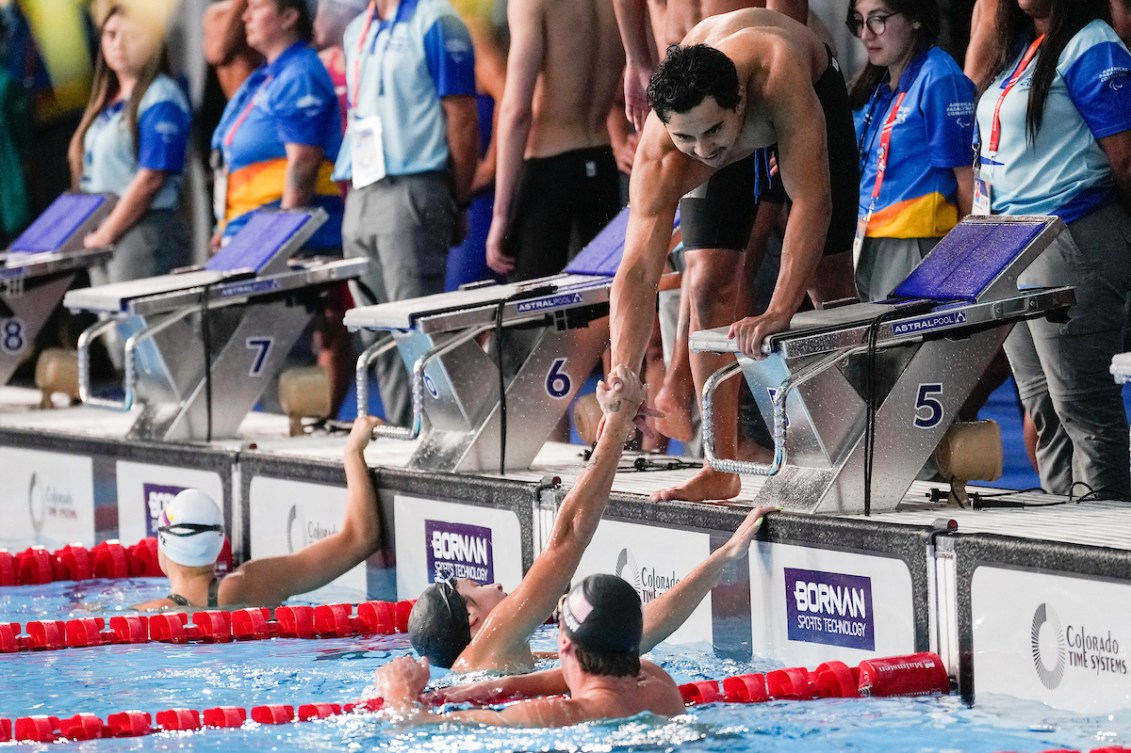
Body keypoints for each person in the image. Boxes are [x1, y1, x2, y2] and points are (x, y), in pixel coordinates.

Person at [609, 9, 858, 502]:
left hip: (806, 97)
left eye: (711, 132)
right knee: (705, 289)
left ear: (739, 101)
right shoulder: (667, 149)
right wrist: (624, 373)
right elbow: (637, 271)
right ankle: (719, 464)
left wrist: (779, 309)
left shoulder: (776, 70)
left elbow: (813, 202)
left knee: (829, 288)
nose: (702, 150)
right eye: (686, 137)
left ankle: (852, 449)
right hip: (725, 112)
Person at [405, 367, 777, 673]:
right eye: (478, 584)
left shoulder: (509, 665)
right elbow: (566, 538)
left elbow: (638, 633)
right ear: (471, 616)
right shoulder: (488, 646)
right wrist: (617, 421)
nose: (496, 582)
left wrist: (724, 555)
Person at [974, 0, 1131, 499]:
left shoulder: (1093, 43)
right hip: (1013, 246)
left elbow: (1126, 162)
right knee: (1042, 408)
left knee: (1081, 406)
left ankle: (1104, 549)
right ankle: (1061, 536)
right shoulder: (1022, 48)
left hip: (1073, 236)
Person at [335, 0, 478, 427]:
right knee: (374, 335)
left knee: (416, 331)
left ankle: (435, 436)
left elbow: (463, 119)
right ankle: (403, 432)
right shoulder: (356, 29)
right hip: (361, 190)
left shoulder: (437, 20)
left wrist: (458, 198)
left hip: (413, 187)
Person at [132, 415, 384, 610]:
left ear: (163, 548)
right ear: (220, 543)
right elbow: (359, 539)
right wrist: (352, 452)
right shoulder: (250, 585)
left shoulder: (151, 615)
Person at [373, 574, 685, 727]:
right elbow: (593, 681)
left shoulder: (555, 715)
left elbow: (417, 724)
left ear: (564, 645)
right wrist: (502, 685)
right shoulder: (659, 684)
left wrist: (396, 690)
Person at [483, 0, 624, 283]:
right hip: (602, 166)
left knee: (534, 315)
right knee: (600, 306)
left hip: (550, 174)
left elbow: (516, 112)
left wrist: (500, 215)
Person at [847, 0, 974, 301]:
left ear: (916, 17)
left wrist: (972, 265)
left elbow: (966, 178)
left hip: (916, 241)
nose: (866, 34)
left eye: (877, 20)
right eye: (858, 21)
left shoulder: (940, 76)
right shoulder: (875, 84)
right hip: (865, 238)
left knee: (905, 347)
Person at [68, 3, 192, 283]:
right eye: (110, 35)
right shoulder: (106, 100)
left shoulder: (161, 96)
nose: (118, 44)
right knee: (112, 326)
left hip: (142, 229)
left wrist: (107, 232)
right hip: (102, 233)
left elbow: (151, 178)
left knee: (139, 326)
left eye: (131, 35)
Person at [211, 0, 343, 252]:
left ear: (289, 17)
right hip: (249, 234)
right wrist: (223, 226)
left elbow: (303, 163)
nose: (245, 17)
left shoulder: (299, 74)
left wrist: (278, 243)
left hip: (289, 246)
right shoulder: (264, 78)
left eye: (257, 8)